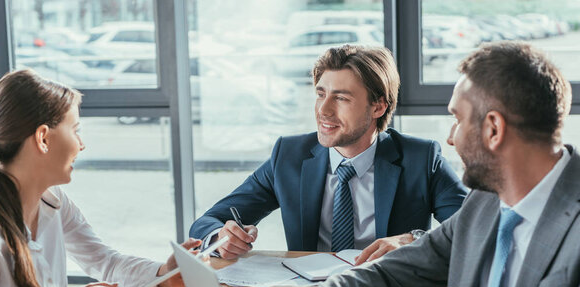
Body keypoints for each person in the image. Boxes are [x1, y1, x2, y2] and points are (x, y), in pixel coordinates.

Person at [235, 42, 579, 287]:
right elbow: (391, 273)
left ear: (493, 129)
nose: (450, 137)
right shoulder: (486, 204)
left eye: (457, 119)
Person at [0, 70, 199, 287]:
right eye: (76, 129)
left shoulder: (53, 201)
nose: (82, 145)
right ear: (43, 138)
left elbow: (105, 262)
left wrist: (162, 273)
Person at [189, 45, 467, 263]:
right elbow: (206, 222)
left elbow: (475, 227)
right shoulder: (289, 156)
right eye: (321, 94)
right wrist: (222, 236)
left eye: (342, 98)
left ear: (378, 107)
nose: (324, 110)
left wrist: (414, 239)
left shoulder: (421, 159)